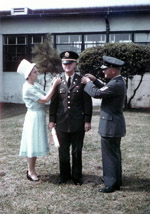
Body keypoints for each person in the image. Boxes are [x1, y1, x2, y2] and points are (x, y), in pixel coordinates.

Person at [82, 55, 126, 193]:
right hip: (113, 125)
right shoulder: (117, 81)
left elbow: (96, 93)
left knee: (109, 154)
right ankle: (114, 178)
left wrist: (87, 82)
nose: (103, 71)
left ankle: (110, 183)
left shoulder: (116, 84)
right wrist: (95, 80)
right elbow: (104, 88)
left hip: (111, 126)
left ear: (113, 70)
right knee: (114, 153)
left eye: (106, 69)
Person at [49, 51, 92, 185]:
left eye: (69, 63)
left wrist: (87, 121)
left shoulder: (82, 80)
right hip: (61, 122)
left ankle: (77, 177)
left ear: (75, 64)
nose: (66, 65)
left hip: (77, 122)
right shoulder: (57, 81)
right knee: (63, 151)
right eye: (64, 63)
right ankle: (64, 176)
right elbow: (54, 103)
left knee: (77, 151)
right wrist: (51, 120)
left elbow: (87, 102)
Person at [17, 59, 61, 182]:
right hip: (33, 117)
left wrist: (53, 86)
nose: (37, 74)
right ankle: (31, 171)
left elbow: (46, 96)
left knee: (34, 144)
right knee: (32, 144)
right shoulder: (28, 88)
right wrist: (54, 85)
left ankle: (31, 169)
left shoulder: (33, 85)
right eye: (35, 72)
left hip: (38, 115)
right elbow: (46, 99)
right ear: (28, 75)